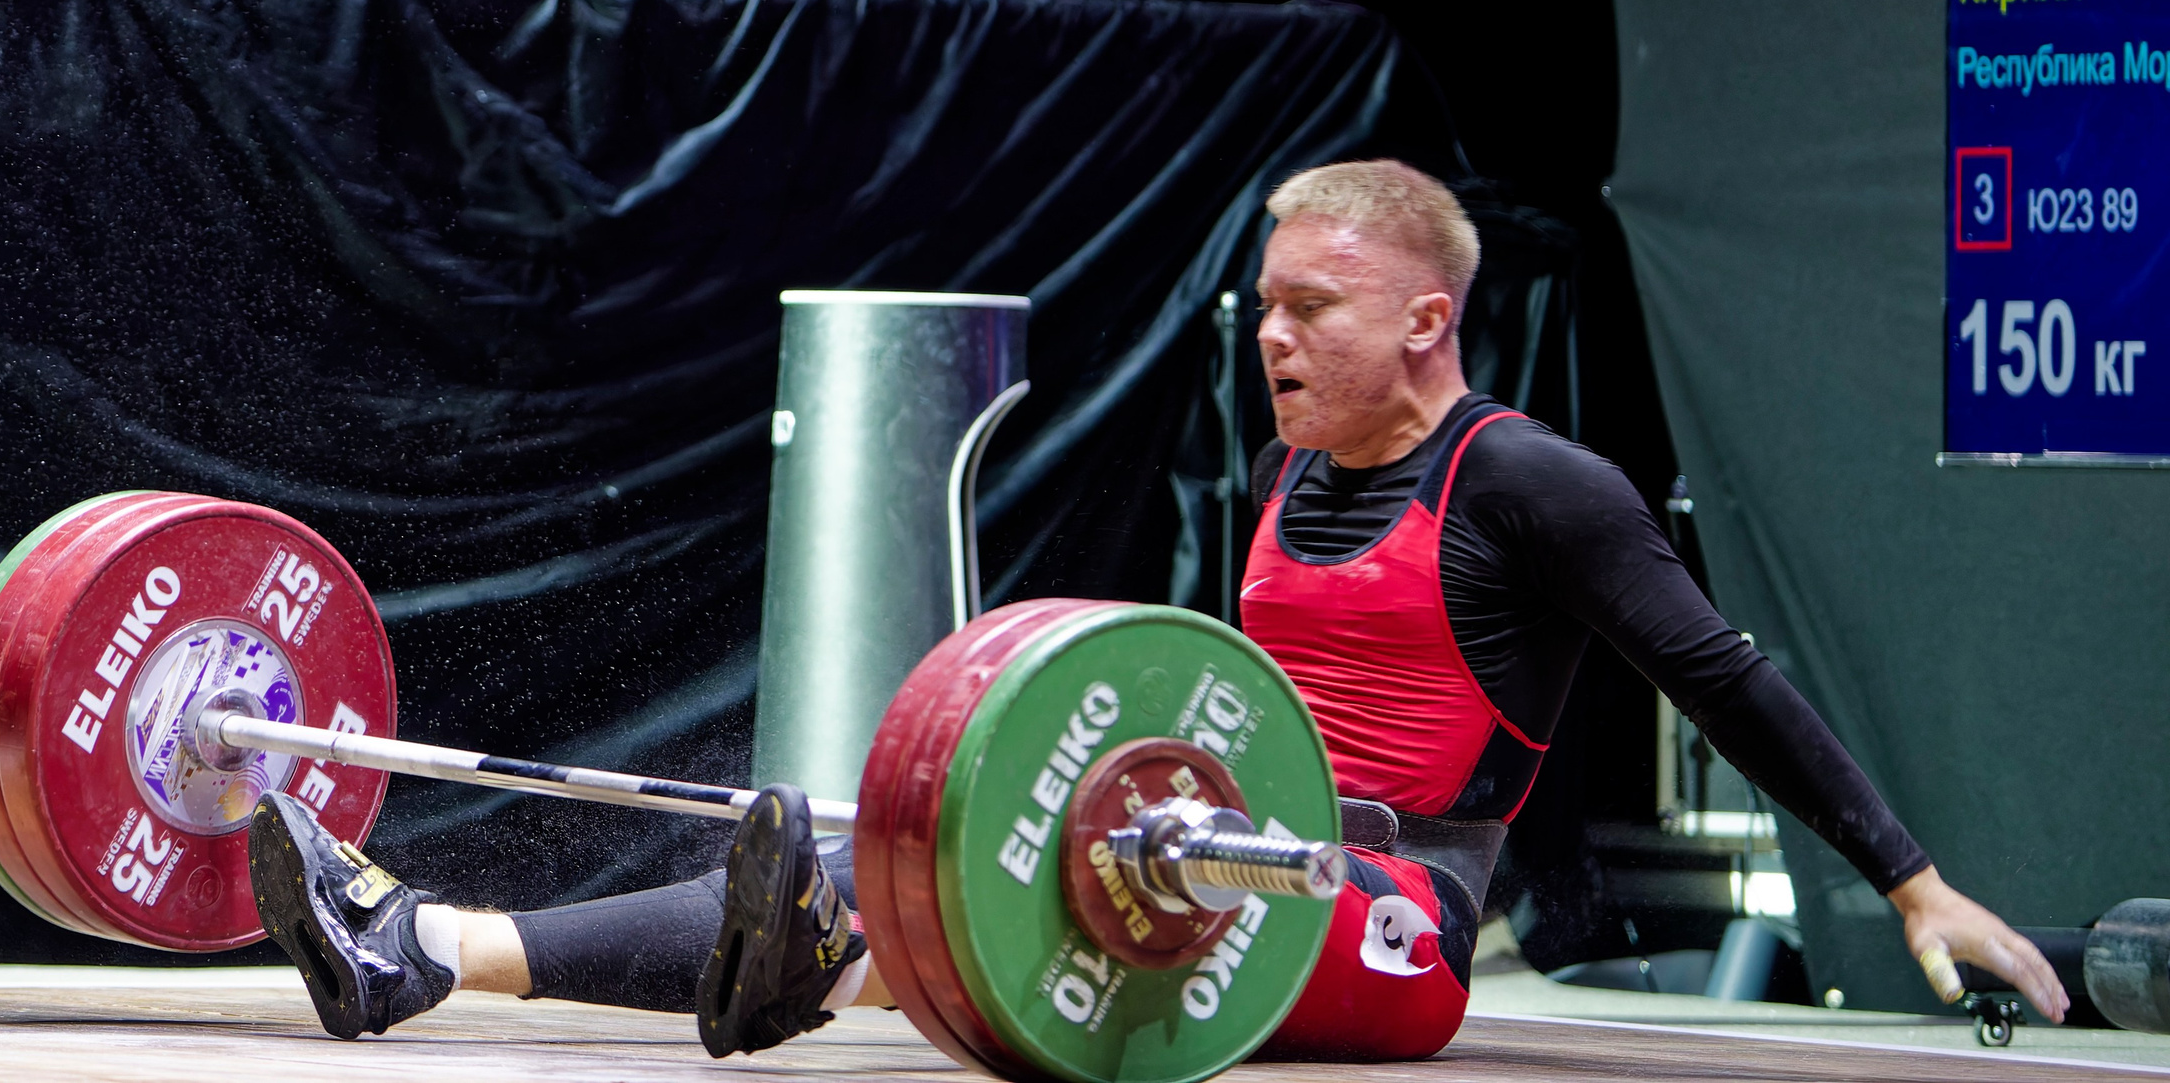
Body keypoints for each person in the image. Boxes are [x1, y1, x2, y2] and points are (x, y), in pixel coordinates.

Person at [248, 158, 2068, 1061]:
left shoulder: (1533, 487)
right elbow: (1213, 710)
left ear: (1428, 322)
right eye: (1265, 307)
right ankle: (429, 945)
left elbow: (1725, 678)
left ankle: (763, 959)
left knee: (960, 888)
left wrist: (1910, 885)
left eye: (1314, 313)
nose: (1273, 339)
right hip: (1210, 847)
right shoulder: (1287, 482)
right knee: (879, 846)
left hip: (1391, 922)